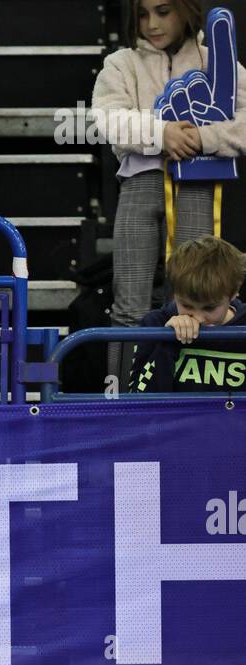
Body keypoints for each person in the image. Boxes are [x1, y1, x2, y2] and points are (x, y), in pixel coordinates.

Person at [91, 0, 246, 382]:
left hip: (197, 183)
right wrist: (162, 134)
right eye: (143, 14)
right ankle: (121, 398)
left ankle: (184, 391)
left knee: (191, 298)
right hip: (139, 183)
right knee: (128, 302)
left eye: (163, 12)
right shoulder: (121, 62)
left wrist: (203, 137)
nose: (152, 24)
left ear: (186, 10)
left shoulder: (218, 60)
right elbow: (106, 119)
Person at [131, 234, 246, 391]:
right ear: (174, 293)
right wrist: (167, 341)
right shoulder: (155, 324)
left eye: (209, 308)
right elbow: (140, 399)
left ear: (234, 292)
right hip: (173, 416)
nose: (198, 318)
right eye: (187, 305)